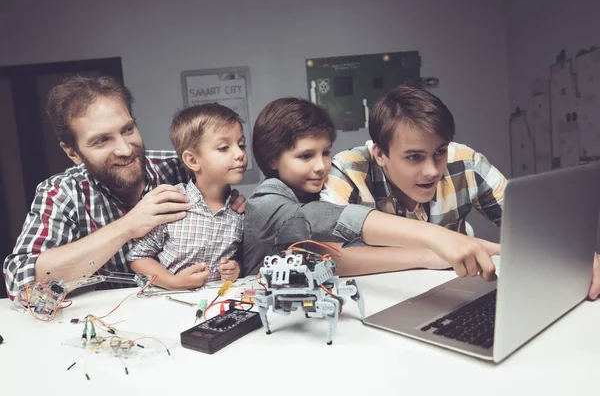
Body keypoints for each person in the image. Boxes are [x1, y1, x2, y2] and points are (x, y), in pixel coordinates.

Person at [322, 85, 600, 300]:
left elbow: (532, 229)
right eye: (414, 157)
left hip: (458, 294)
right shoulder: (348, 169)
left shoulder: (465, 161)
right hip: (378, 305)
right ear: (380, 153)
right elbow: (320, 257)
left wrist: (577, 255)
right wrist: (427, 254)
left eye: (439, 152)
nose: (432, 170)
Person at [2, 76, 244, 299]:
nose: (125, 150)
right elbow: (19, 281)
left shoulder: (178, 168)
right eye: (101, 140)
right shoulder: (62, 193)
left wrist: (231, 200)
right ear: (73, 152)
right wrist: (126, 227)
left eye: (128, 130)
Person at [243, 97, 500, 280]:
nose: (322, 166)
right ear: (272, 159)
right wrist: (435, 240)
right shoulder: (265, 201)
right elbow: (321, 223)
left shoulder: (319, 187)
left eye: (325, 153)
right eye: (305, 156)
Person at [127, 103, 246, 290]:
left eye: (241, 145)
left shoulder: (240, 211)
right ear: (192, 160)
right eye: (224, 148)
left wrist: (236, 268)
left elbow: (241, 258)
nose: (240, 154)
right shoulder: (172, 204)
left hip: (217, 303)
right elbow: (138, 258)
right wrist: (173, 282)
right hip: (171, 303)